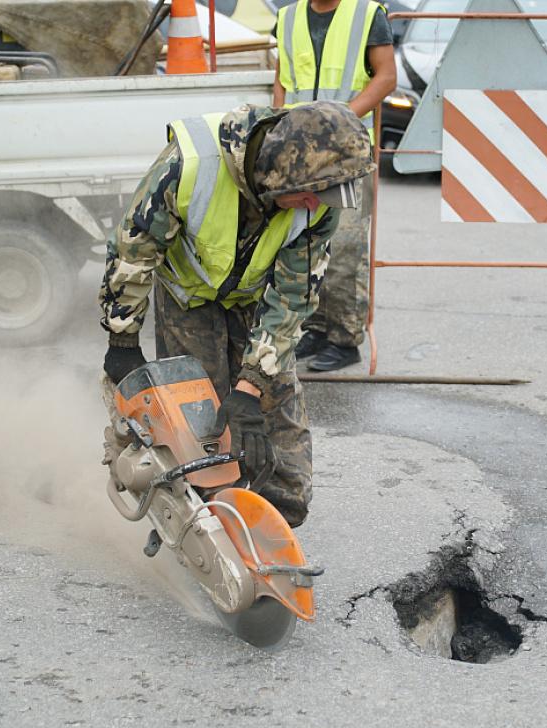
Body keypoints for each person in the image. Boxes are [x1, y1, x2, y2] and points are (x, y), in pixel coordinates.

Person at [99, 101, 374, 528]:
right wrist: (123, 340)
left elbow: (294, 296)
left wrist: (250, 387)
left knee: (273, 421)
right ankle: (206, 524)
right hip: (187, 296)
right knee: (199, 430)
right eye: (307, 195)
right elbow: (135, 250)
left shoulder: (319, 197)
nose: (314, 205)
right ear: (278, 171)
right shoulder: (190, 166)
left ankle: (272, 531)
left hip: (253, 297)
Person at [273, 0, 397, 372]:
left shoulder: (366, 14)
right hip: (300, 150)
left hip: (346, 148)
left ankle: (344, 339)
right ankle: (314, 327)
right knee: (305, 242)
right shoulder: (288, 18)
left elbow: (386, 77)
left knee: (344, 246)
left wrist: (339, 117)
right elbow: (282, 81)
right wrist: (280, 129)